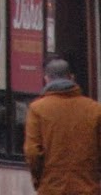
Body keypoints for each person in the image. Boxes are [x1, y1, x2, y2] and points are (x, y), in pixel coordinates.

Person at [25, 57, 101, 195]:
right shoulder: (94, 109)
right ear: (72, 78)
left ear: (46, 79)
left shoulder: (37, 109)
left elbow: (32, 152)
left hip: (52, 187)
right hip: (88, 188)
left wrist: (39, 181)